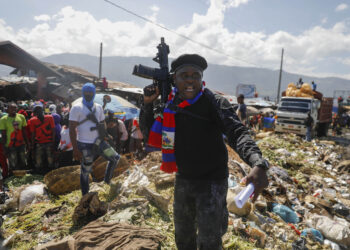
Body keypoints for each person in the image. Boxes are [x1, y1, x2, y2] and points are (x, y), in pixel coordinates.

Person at [139, 54, 269, 249]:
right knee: (183, 237)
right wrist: (148, 104)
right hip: (184, 179)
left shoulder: (215, 102)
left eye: (195, 75)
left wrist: (257, 162)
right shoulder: (169, 105)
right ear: (175, 79)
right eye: (184, 75)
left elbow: (237, 132)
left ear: (201, 79)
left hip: (212, 182)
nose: (190, 80)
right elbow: (149, 134)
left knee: (209, 240)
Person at [69, 83, 120, 195]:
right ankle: (85, 195)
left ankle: (107, 182)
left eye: (90, 92)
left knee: (115, 158)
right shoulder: (76, 108)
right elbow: (72, 129)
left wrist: (105, 135)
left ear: (94, 93)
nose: (88, 94)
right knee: (86, 171)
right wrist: (75, 149)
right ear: (83, 92)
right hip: (84, 144)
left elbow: (102, 123)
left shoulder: (98, 107)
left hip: (99, 142)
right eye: (86, 92)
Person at [0, 103, 29, 175]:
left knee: (23, 161)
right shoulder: (3, 119)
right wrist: (4, 148)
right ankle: (14, 178)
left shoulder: (21, 117)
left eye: (15, 108)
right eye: (11, 108)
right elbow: (3, 135)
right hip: (10, 146)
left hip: (21, 145)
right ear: (7, 110)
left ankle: (23, 177)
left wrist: (28, 143)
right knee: (13, 163)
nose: (14, 110)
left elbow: (24, 131)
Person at [28, 102, 56, 174]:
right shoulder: (32, 120)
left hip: (49, 141)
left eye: (39, 111)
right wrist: (32, 144)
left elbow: (53, 130)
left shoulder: (50, 117)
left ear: (42, 111)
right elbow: (33, 134)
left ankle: (51, 172)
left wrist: (53, 142)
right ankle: (39, 172)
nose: (38, 113)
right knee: (39, 159)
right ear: (35, 113)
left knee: (50, 158)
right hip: (39, 142)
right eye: (37, 111)